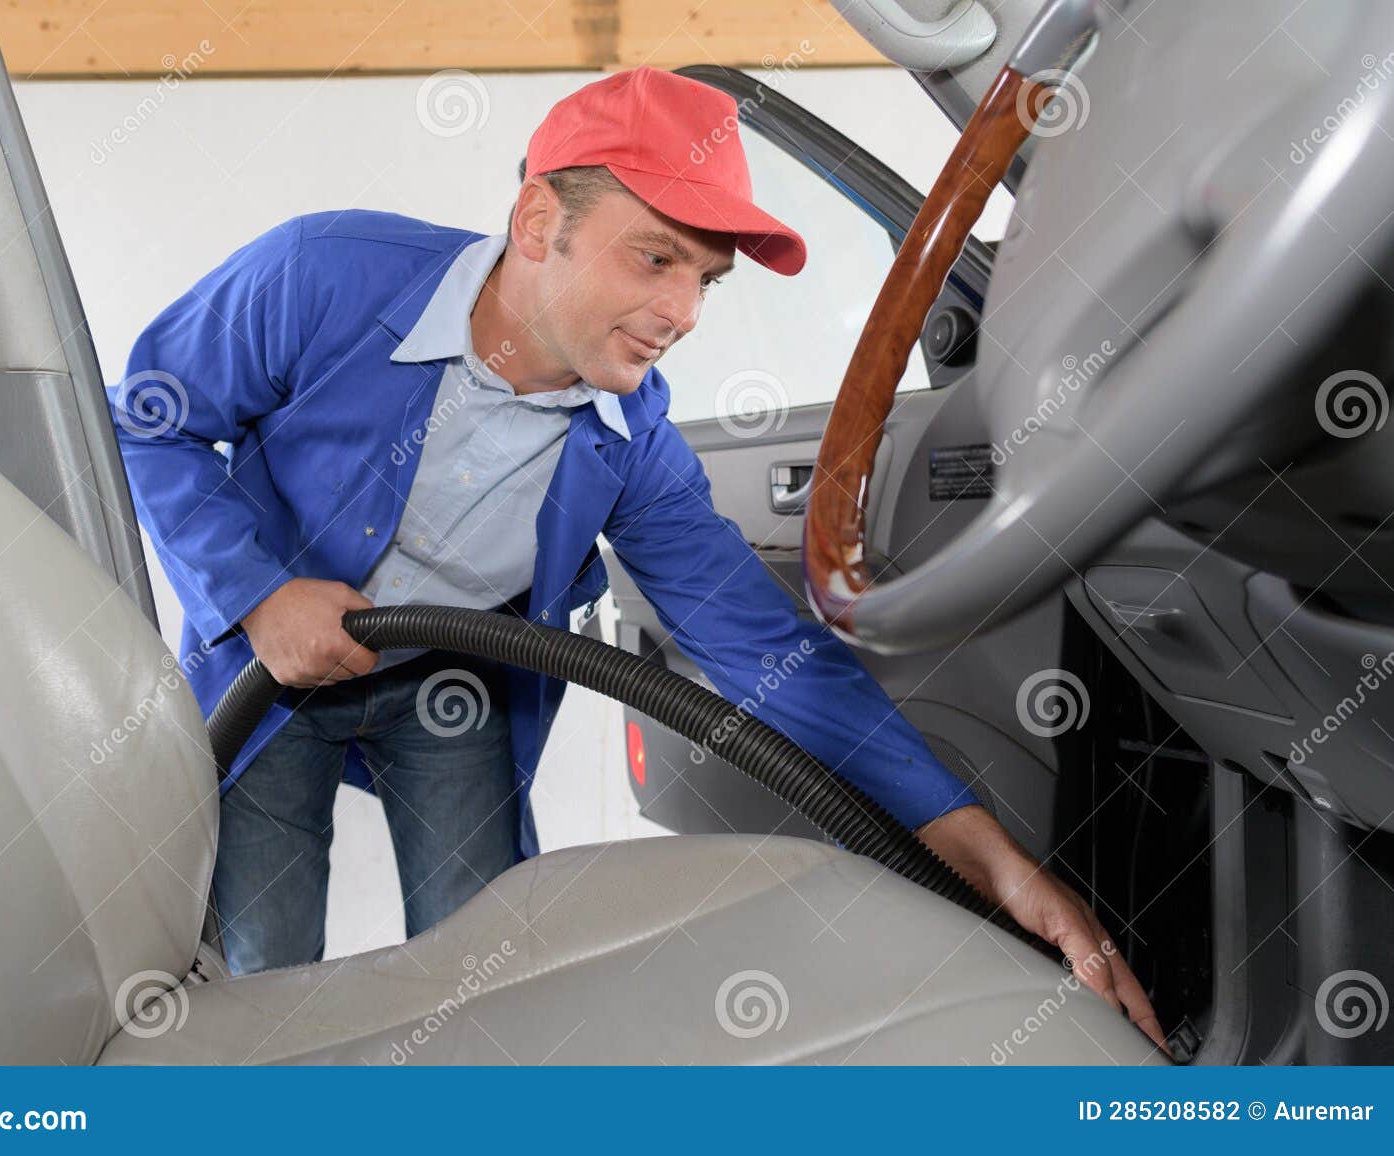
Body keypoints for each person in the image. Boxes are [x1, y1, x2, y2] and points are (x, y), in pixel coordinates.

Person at [110, 65, 1166, 1051]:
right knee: (260, 965)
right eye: (654, 257)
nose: (682, 312)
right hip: (274, 678)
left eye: (704, 278)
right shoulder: (322, 275)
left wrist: (1002, 869)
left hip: (454, 687)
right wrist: (258, 595)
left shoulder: (632, 444)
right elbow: (152, 419)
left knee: (487, 977)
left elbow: (770, 661)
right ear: (538, 224)